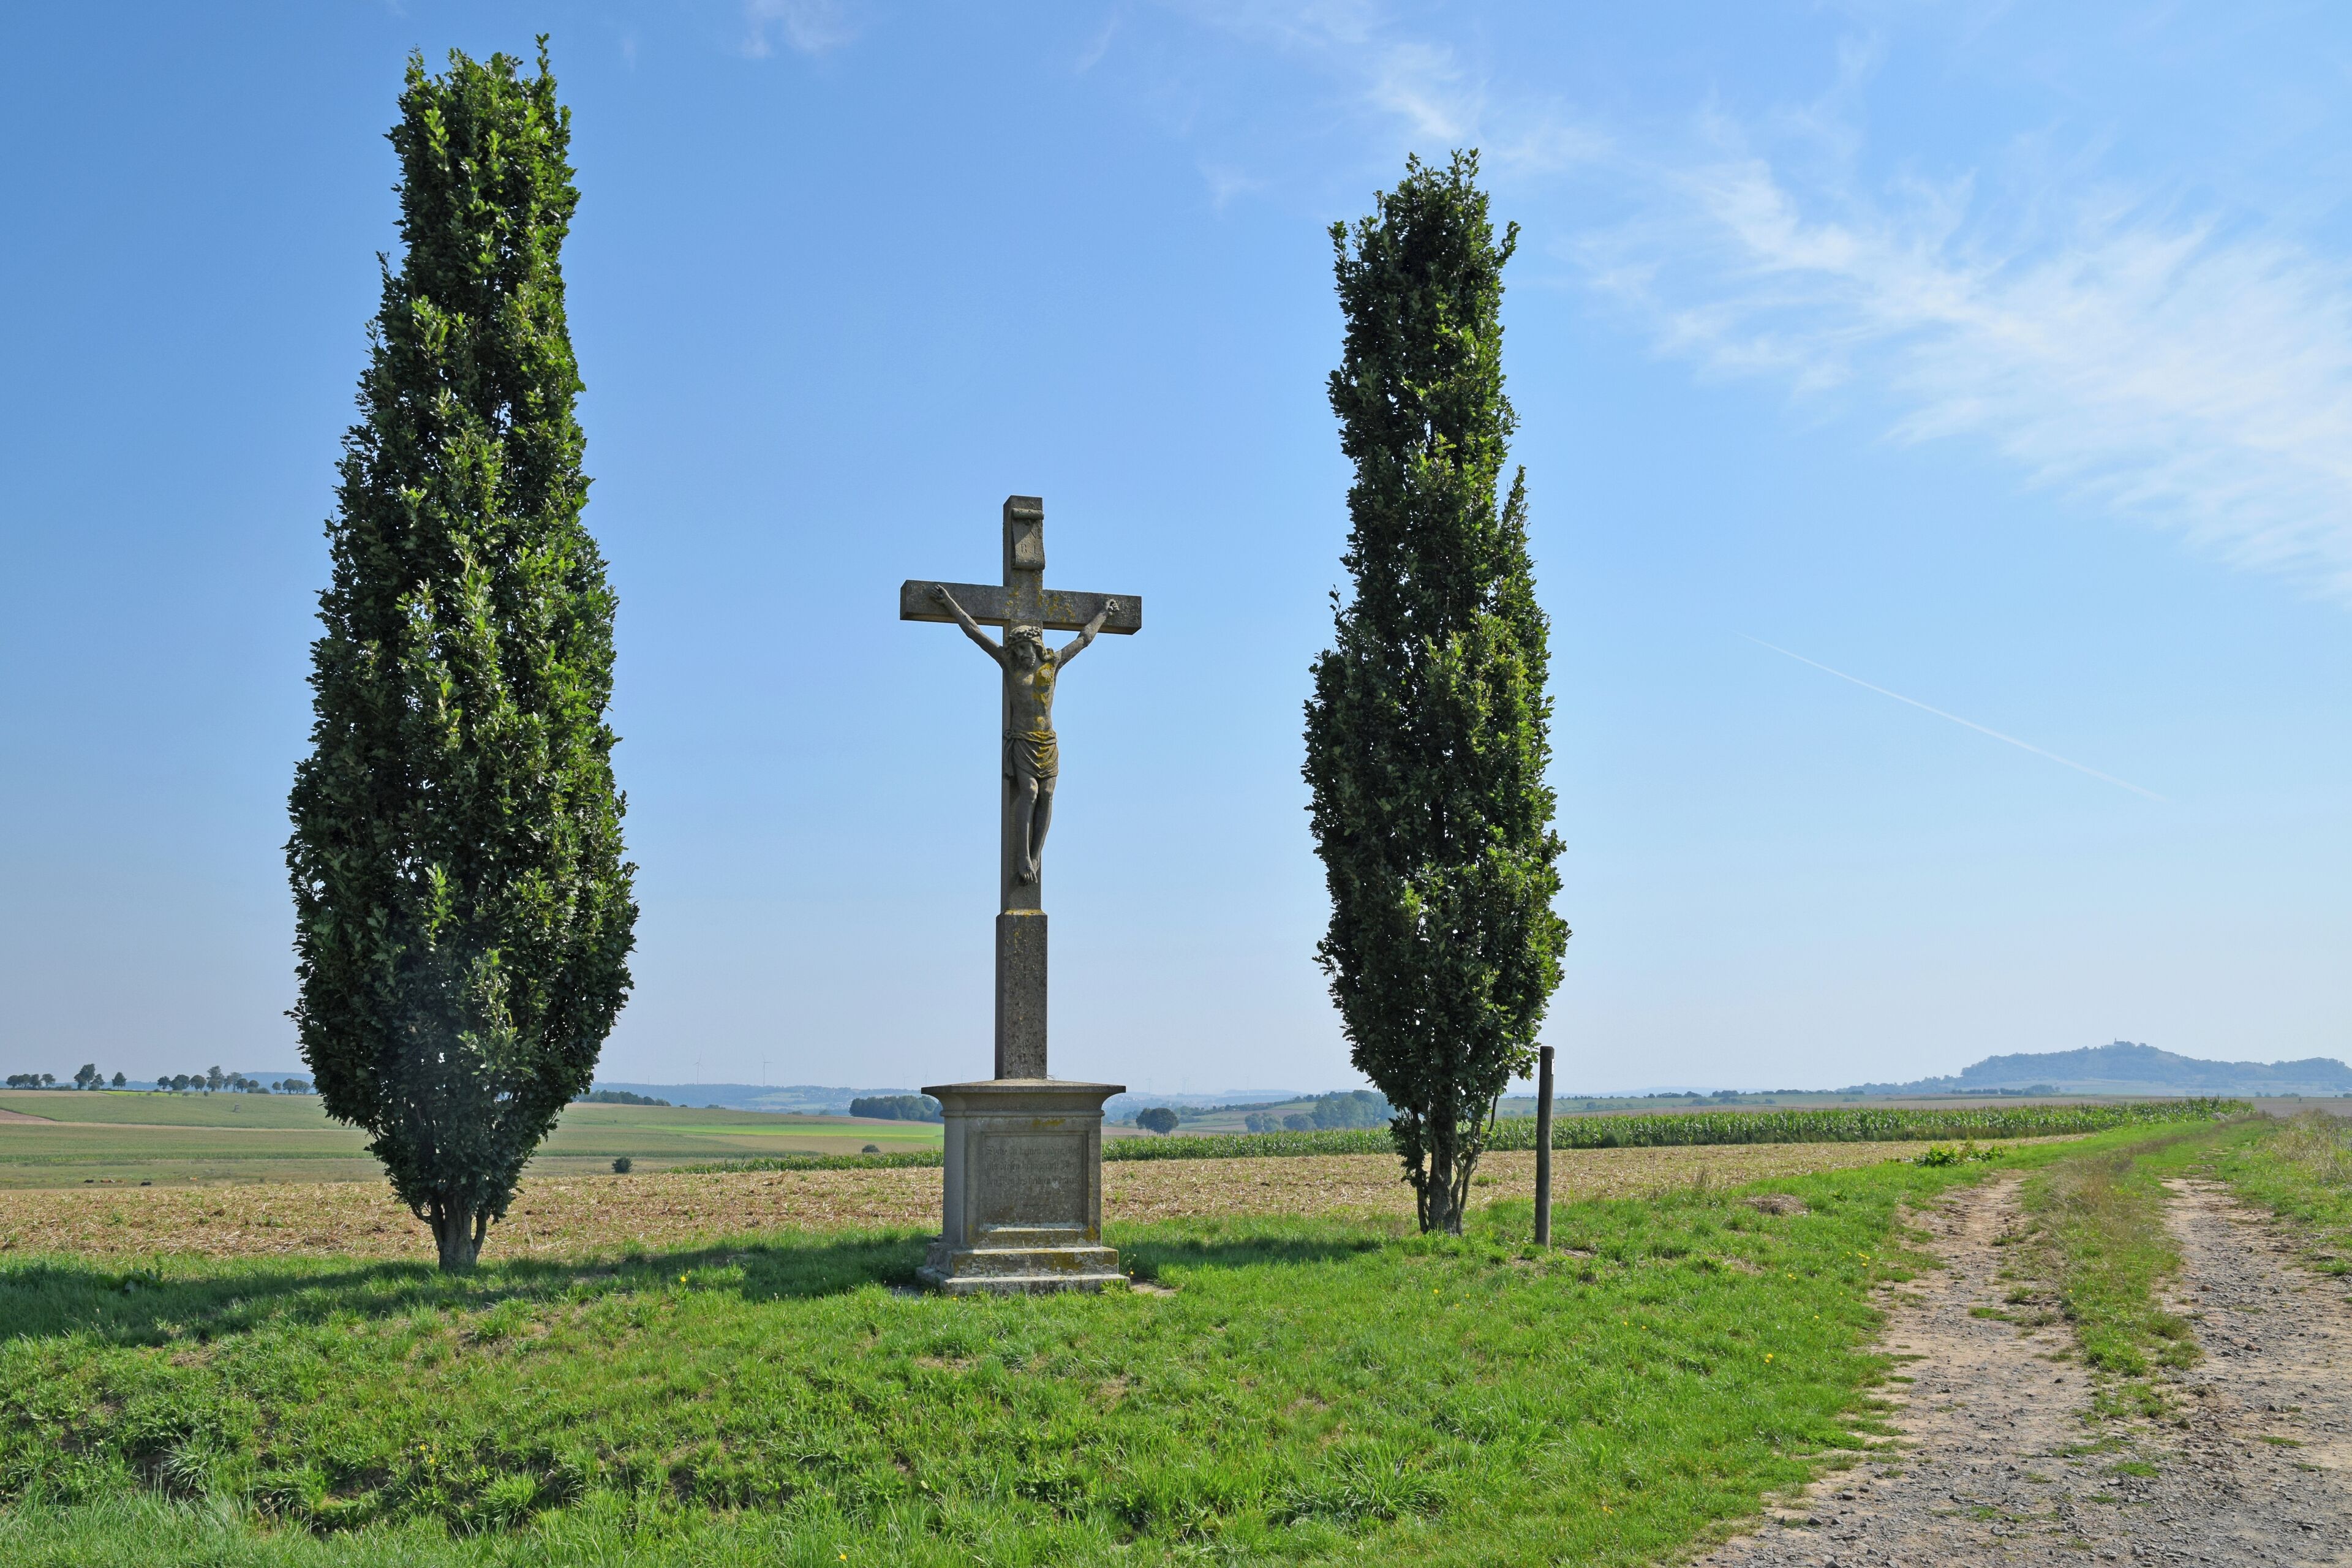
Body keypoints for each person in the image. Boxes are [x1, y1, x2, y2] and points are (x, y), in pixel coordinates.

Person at [930, 584, 1117, 884]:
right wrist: (950, 603)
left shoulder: (1052, 663)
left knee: (1048, 793)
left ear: (1036, 646)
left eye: (1025, 648)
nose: (1020, 654)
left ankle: (1036, 853)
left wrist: (1103, 614)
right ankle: (1022, 856)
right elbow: (975, 632)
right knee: (1029, 792)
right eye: (1016, 650)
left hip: (1047, 741)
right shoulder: (1010, 666)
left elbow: (1083, 640)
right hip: (1023, 740)